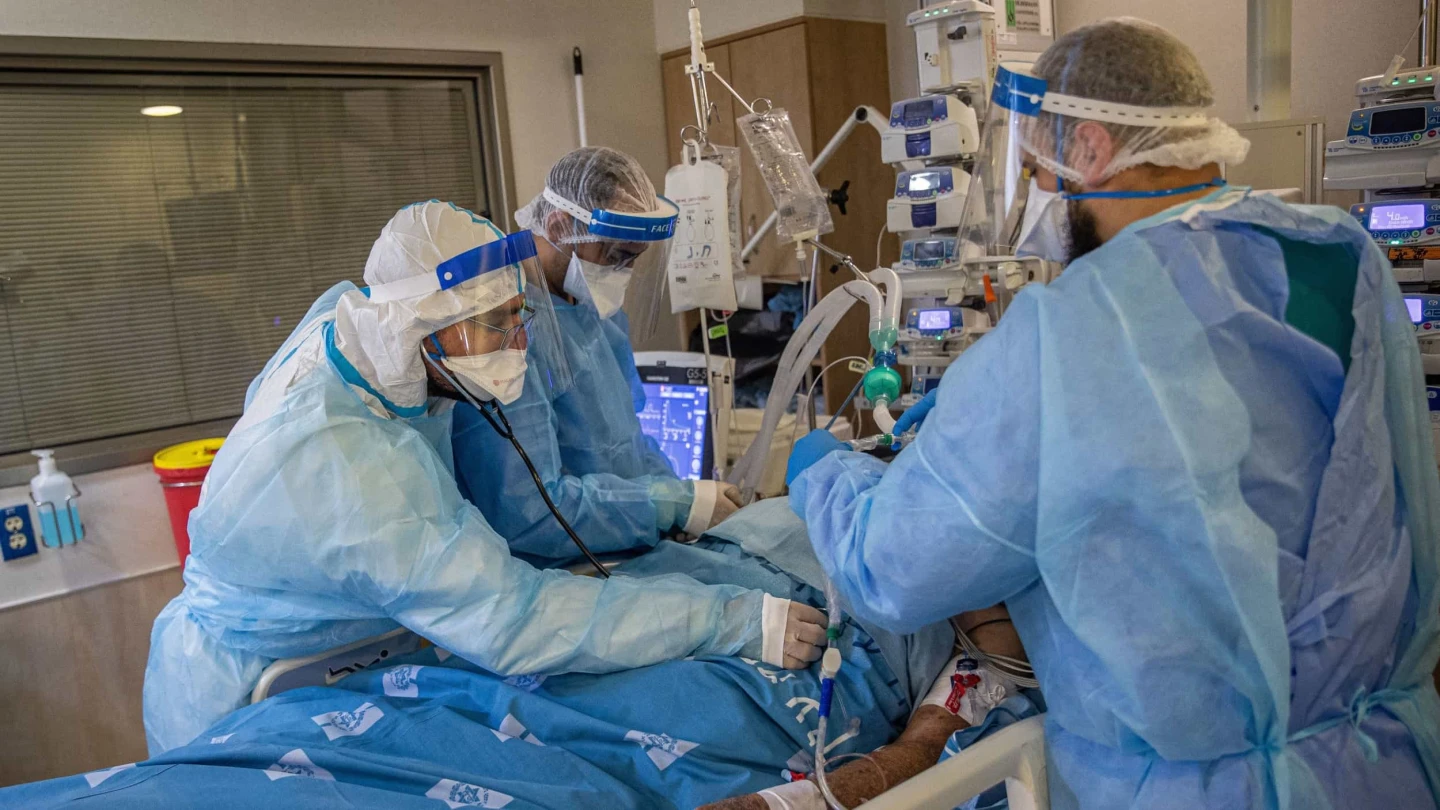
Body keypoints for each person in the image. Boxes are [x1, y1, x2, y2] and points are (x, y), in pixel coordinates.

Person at [786, 18, 1440, 810]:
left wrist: (825, 473)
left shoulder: (1064, 332)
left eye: (1040, 166)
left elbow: (892, 568)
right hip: (1383, 767)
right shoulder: (1343, 253)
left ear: (1091, 149)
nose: (1039, 190)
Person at [143, 201, 824, 755]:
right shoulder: (355, 466)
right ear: (422, 329)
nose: (516, 345)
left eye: (518, 317)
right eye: (492, 327)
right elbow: (515, 618)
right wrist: (725, 619)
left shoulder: (360, 332)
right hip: (246, 700)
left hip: (342, 660)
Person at [453, 147, 741, 564]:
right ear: (557, 226)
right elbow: (531, 513)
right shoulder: (505, 329)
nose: (623, 272)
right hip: (561, 569)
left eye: (633, 259)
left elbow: (628, 441)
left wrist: (684, 499)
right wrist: (668, 505)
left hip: (627, 546)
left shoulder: (595, 315)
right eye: (615, 256)